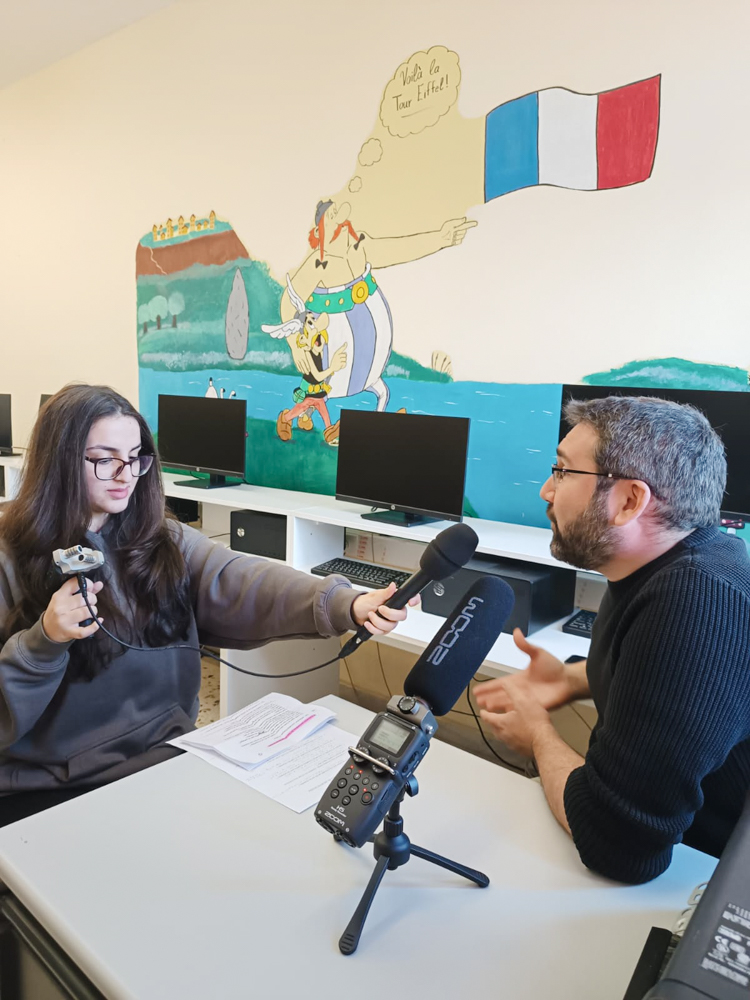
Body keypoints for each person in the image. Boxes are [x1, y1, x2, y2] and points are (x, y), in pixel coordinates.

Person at [0, 384, 415, 826]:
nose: (125, 474)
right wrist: (44, 641)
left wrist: (346, 604)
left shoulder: (161, 539)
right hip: (52, 788)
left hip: (165, 759)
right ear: (59, 461)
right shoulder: (9, 556)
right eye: (104, 459)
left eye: (136, 457)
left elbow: (243, 578)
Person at [474, 395, 750, 884]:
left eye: (562, 472)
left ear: (629, 501)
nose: (545, 491)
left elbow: (617, 843)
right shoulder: (677, 559)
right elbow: (660, 678)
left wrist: (538, 734)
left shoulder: (694, 599)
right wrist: (569, 679)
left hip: (705, 874)